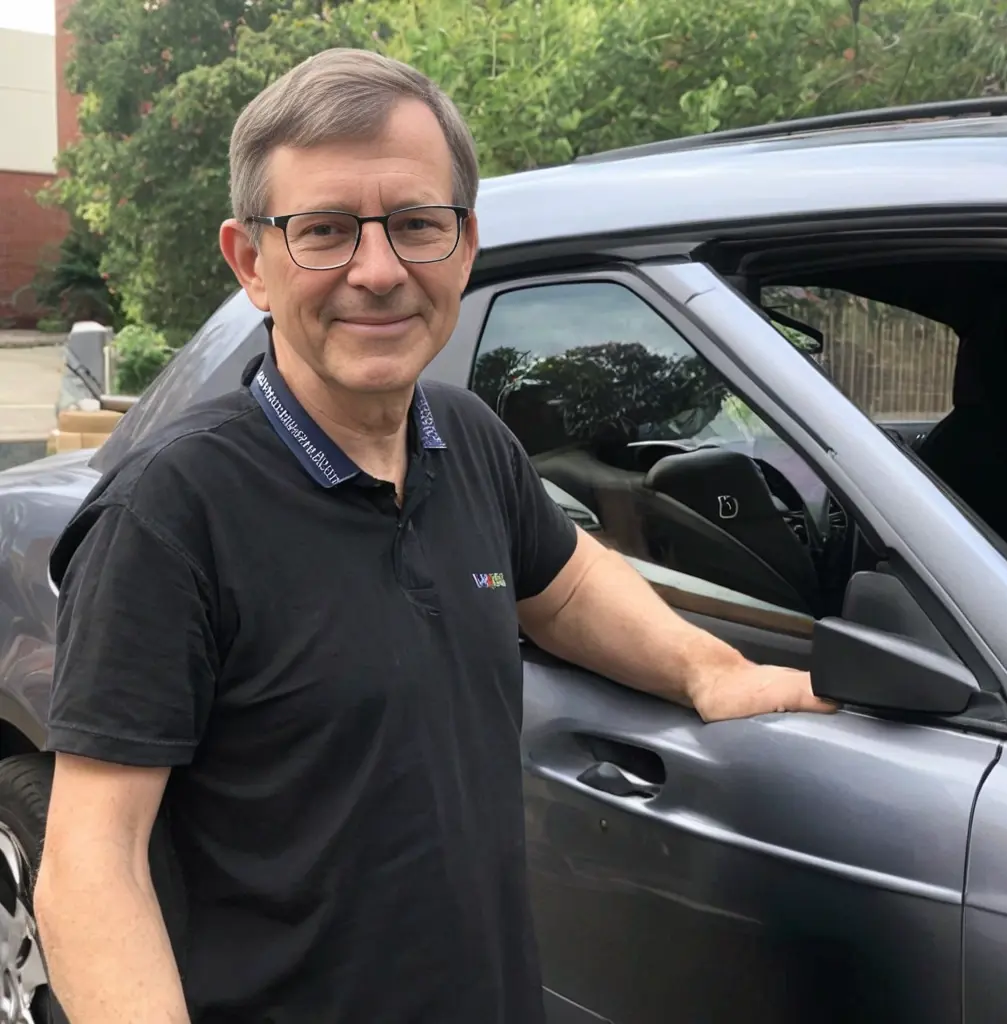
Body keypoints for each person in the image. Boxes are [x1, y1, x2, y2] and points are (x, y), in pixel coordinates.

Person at [34, 48, 835, 1024]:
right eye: (324, 230)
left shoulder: (468, 439)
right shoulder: (169, 514)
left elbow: (567, 585)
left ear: (463, 246)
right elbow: (93, 864)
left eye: (416, 224)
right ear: (251, 263)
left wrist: (711, 671)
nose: (378, 272)